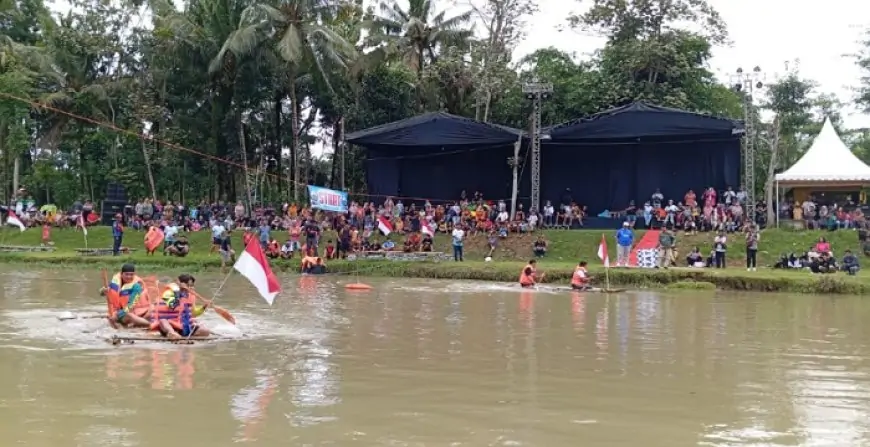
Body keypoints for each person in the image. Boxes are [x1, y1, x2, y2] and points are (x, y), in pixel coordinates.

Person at [152, 274, 211, 340]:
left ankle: (183, 336)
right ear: (180, 284)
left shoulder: (191, 296)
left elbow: (193, 314)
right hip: (171, 324)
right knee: (163, 321)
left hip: (184, 325)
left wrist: (204, 307)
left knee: (205, 331)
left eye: (191, 285)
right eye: (188, 285)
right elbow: (172, 306)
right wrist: (178, 294)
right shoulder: (168, 293)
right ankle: (172, 333)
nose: (190, 288)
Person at [101, 263, 151, 328]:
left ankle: (149, 325)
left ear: (134, 274)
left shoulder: (137, 285)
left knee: (129, 315)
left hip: (139, 312)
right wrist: (103, 291)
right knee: (120, 316)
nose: (129, 277)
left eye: (131, 274)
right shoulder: (116, 281)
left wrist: (117, 315)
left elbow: (130, 305)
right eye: (126, 274)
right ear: (121, 274)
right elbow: (103, 293)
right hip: (122, 311)